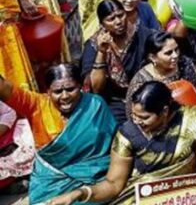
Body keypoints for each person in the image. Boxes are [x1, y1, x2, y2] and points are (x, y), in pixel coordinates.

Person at [48, 81, 196, 205]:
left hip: (185, 195)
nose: (137, 121)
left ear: (164, 112)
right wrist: (80, 193)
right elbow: (114, 184)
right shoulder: (127, 134)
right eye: (134, 115)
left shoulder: (192, 122)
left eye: (145, 117)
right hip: (143, 199)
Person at [0, 64, 117, 204]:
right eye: (57, 91)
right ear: (48, 91)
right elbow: (4, 88)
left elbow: (114, 142)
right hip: (50, 184)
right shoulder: (36, 105)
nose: (65, 96)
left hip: (93, 180)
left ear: (80, 86)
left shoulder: (95, 104)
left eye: (70, 89)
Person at [125, 31, 196, 147]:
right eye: (168, 53)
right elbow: (134, 116)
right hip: (164, 132)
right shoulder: (141, 81)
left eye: (176, 50)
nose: (175, 56)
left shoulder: (185, 64)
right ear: (152, 57)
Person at [81, 0, 153, 123]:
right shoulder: (93, 45)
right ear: (102, 24)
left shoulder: (143, 36)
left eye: (121, 15)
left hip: (146, 96)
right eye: (111, 19)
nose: (118, 22)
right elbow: (96, 88)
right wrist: (101, 52)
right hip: (116, 102)